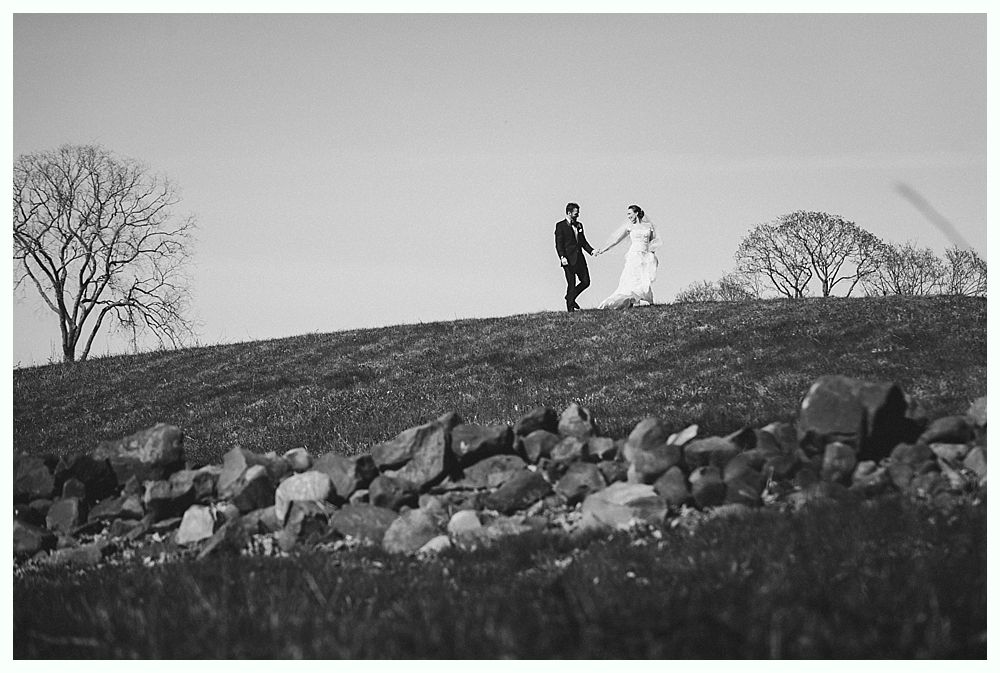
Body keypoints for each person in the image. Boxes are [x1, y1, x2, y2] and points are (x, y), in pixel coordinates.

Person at [593, 204, 662, 309]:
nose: (628, 216)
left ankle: (646, 299)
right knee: (633, 278)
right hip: (634, 255)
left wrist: (652, 255)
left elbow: (652, 242)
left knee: (644, 278)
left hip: (645, 255)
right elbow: (616, 240)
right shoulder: (630, 227)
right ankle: (632, 300)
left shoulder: (649, 226)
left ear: (636, 213)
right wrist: (603, 249)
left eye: (630, 213)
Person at [554, 202, 595, 312]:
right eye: (576, 213)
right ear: (569, 213)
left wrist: (592, 251)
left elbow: (583, 241)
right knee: (571, 283)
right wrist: (562, 257)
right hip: (568, 259)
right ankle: (570, 309)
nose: (578, 215)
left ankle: (570, 297)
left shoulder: (579, 225)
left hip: (580, 259)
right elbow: (559, 244)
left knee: (586, 281)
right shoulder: (560, 226)